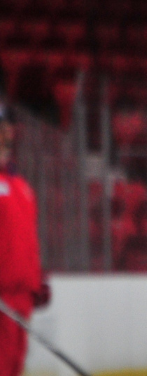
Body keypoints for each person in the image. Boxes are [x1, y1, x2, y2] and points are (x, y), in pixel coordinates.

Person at [0, 104, 49, 376]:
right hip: (1, 297)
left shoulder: (22, 186)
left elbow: (27, 241)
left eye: (7, 125)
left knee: (15, 369)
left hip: (22, 299)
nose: (5, 131)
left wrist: (35, 279)